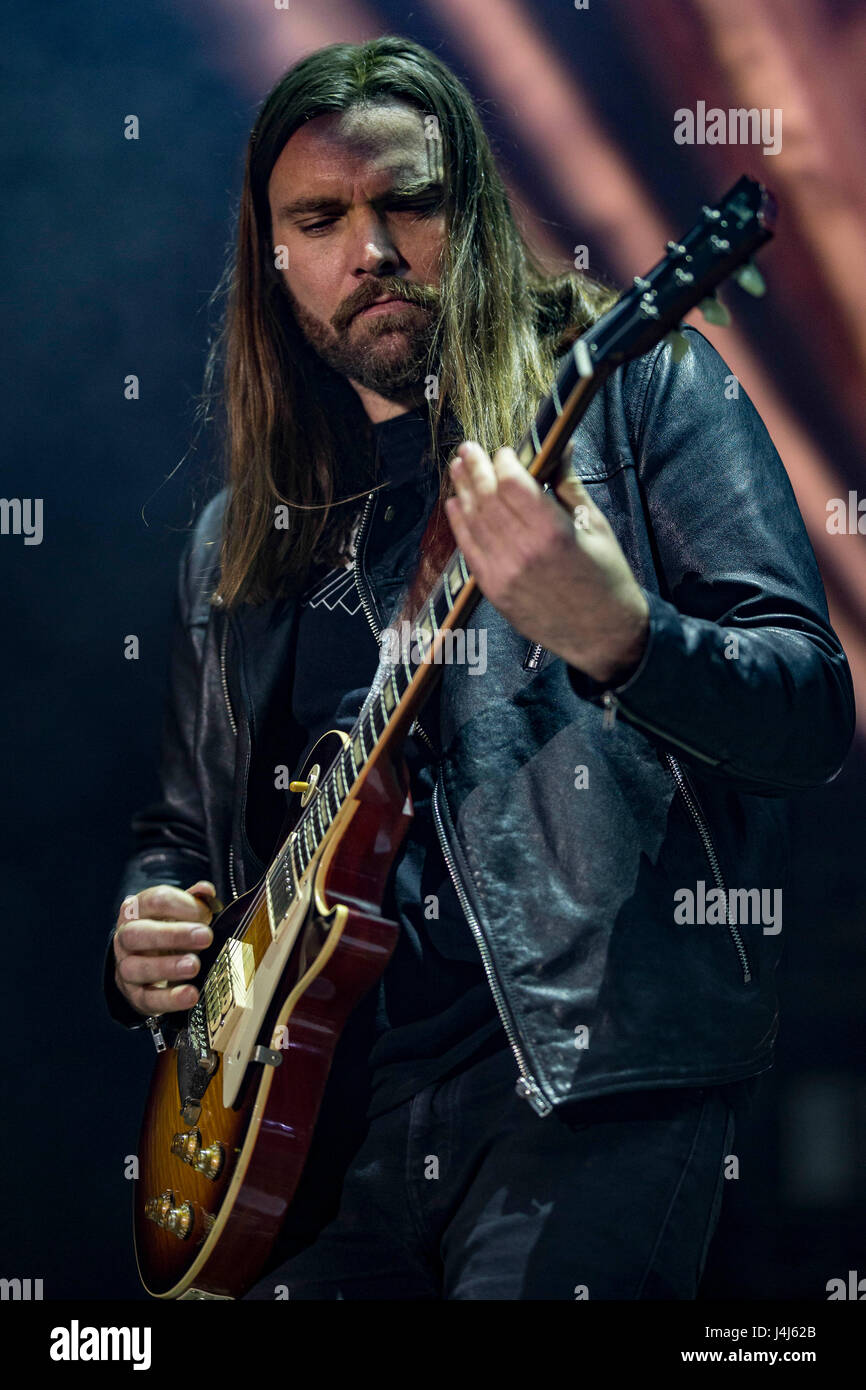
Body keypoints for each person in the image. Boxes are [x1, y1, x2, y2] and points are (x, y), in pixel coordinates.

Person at [103, 37, 855, 1300]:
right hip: (307, 1136)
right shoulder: (234, 539)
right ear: (275, 259)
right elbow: (180, 827)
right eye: (321, 218)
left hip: (575, 1086)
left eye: (409, 201)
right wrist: (151, 928)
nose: (374, 248)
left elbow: (808, 711)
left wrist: (622, 637)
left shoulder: (631, 394)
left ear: (477, 213)